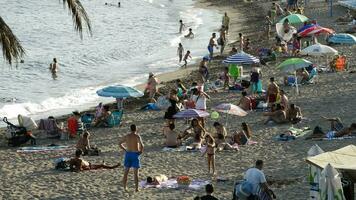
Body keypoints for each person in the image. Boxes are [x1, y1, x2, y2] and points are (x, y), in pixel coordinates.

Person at [119, 124, 144, 192]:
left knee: (126, 172)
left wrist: (125, 150)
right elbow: (142, 145)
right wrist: (140, 152)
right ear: (136, 129)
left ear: (130, 129)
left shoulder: (127, 136)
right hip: (135, 154)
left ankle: (125, 187)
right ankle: (136, 188)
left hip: (128, 154)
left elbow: (120, 143)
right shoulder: (137, 136)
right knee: (136, 173)